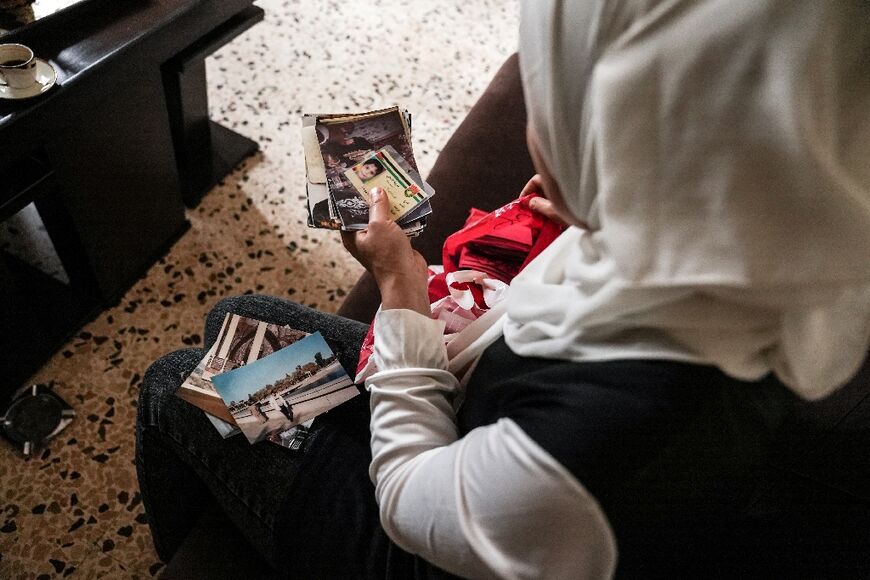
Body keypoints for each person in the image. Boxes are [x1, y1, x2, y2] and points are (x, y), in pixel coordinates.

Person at [136, 2, 870, 578]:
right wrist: (599, 216)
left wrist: (399, 281)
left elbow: (406, 491)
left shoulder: (609, 434)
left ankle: (200, 550)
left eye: (557, 110)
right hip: (489, 449)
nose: (538, 135)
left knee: (176, 384)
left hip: (419, 537)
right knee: (238, 317)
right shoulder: (771, 253)